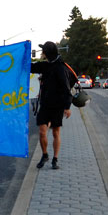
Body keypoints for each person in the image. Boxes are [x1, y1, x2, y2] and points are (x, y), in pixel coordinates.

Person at [30, 41, 73, 170]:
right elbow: (30, 67)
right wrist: (24, 52)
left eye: (43, 51)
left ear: (47, 53)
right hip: (45, 105)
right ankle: (45, 155)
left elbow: (67, 89)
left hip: (58, 105)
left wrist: (67, 107)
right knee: (42, 132)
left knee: (55, 132)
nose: (41, 53)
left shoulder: (60, 68)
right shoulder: (45, 65)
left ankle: (55, 159)